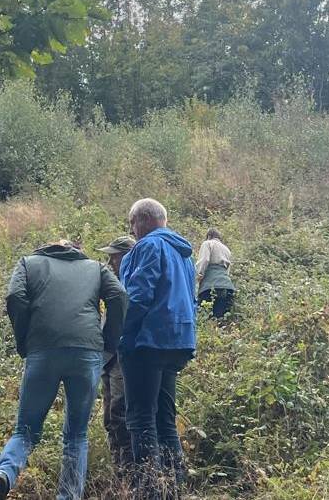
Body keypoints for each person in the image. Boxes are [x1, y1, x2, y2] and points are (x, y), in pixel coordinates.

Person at [0, 241, 128, 500]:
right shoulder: (96, 267)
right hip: (86, 353)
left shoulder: (28, 263)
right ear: (75, 250)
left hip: (43, 351)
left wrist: (26, 340)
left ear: (47, 249)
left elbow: (14, 297)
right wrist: (108, 343)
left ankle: (4, 473)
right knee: (76, 435)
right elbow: (119, 296)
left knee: (25, 430)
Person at [119, 198, 197, 499]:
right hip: (178, 341)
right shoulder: (184, 254)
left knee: (141, 417)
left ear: (142, 220)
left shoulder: (148, 246)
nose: (131, 231)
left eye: (131, 224)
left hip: (148, 341)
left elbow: (137, 297)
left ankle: (149, 491)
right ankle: (175, 487)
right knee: (164, 417)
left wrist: (121, 337)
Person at [97, 235, 137, 479]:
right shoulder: (111, 282)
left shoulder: (135, 282)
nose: (110, 261)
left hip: (125, 355)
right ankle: (118, 471)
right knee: (109, 414)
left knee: (120, 411)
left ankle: (131, 471)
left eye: (115, 256)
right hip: (108, 356)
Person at [195, 229, 236, 319]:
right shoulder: (227, 249)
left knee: (205, 316)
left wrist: (198, 275)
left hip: (209, 285)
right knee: (220, 318)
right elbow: (227, 269)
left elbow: (204, 260)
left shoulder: (207, 243)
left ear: (209, 236)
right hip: (227, 286)